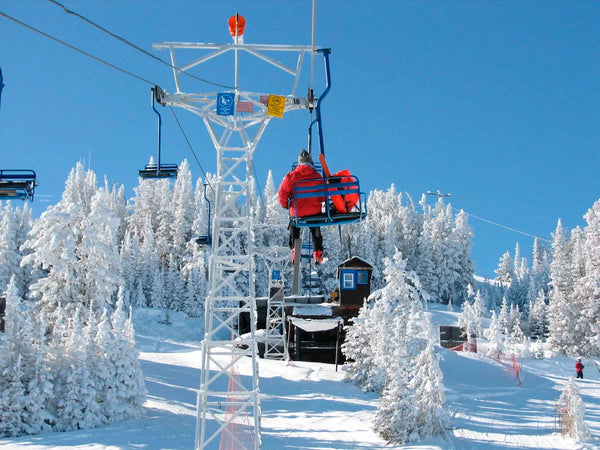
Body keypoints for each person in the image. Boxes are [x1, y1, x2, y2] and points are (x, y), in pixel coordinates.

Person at [278, 149, 325, 264]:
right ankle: (317, 252)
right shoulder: (317, 176)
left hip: (297, 212)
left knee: (294, 225)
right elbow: (323, 195)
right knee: (315, 226)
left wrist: (285, 205)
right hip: (314, 211)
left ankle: (295, 250)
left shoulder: (290, 176)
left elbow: (282, 193)